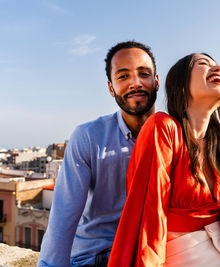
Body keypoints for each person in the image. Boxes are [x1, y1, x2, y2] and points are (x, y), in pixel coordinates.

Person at [107, 53, 220, 267]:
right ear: (181, 86)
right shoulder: (163, 128)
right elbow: (149, 218)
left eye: (216, 65)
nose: (218, 68)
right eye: (203, 64)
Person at [37, 41, 159, 267]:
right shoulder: (89, 137)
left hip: (154, 253)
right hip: (99, 256)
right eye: (123, 76)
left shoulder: (173, 136)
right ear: (111, 88)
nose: (135, 83)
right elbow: (64, 216)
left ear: (156, 81)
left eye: (143, 74)